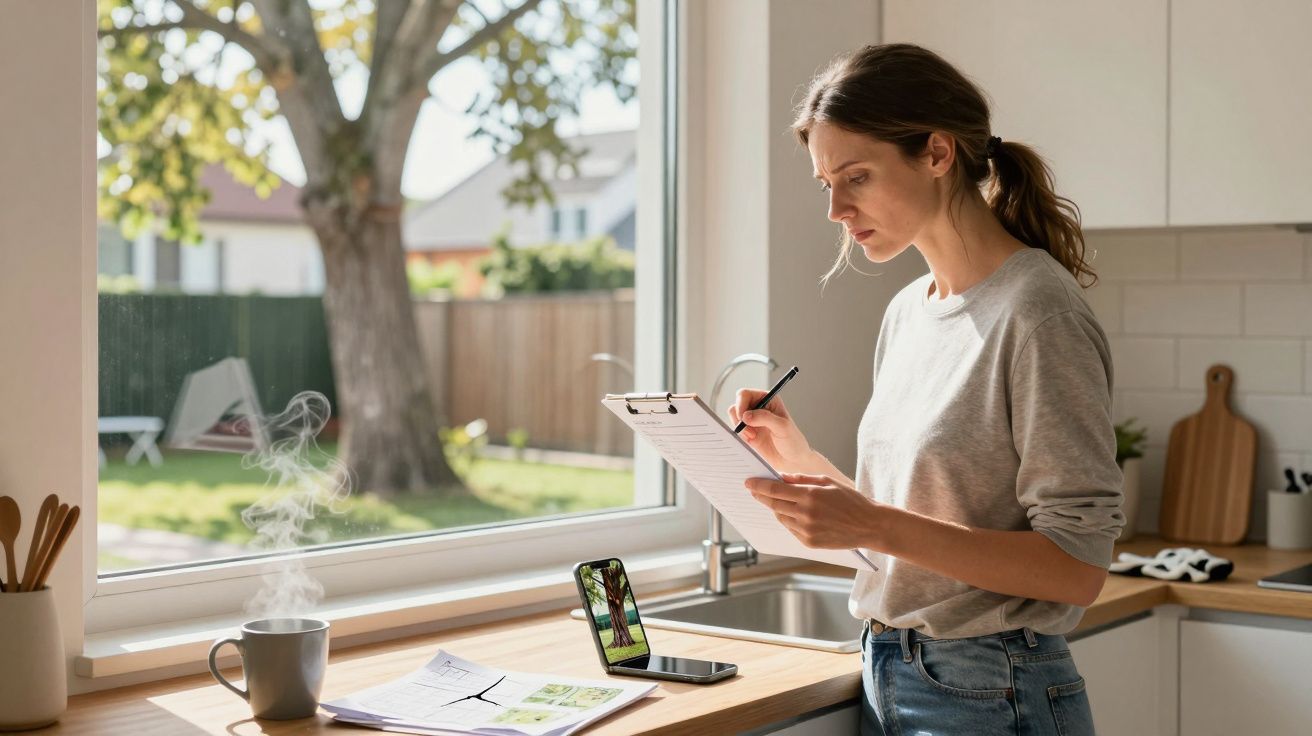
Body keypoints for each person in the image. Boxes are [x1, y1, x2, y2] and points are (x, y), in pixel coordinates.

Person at [731, 44, 1123, 735]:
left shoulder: (1037, 311)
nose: (836, 209)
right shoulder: (911, 310)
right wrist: (796, 456)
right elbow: (910, 523)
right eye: (826, 182)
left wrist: (873, 523)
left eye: (856, 176)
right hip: (894, 671)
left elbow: (1076, 566)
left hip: (993, 687)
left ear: (938, 153)